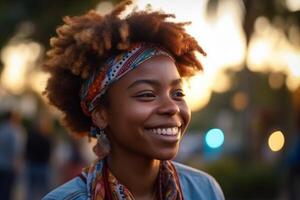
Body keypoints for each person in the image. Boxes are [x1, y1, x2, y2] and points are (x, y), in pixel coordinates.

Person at [42, 0, 224, 199]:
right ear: (101, 114)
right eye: (147, 94)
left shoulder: (204, 190)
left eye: (178, 94)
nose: (172, 107)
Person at [0, 110, 25, 200]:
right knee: (7, 192)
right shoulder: (15, 131)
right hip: (9, 166)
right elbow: (17, 150)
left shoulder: (1, 128)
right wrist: (18, 165)